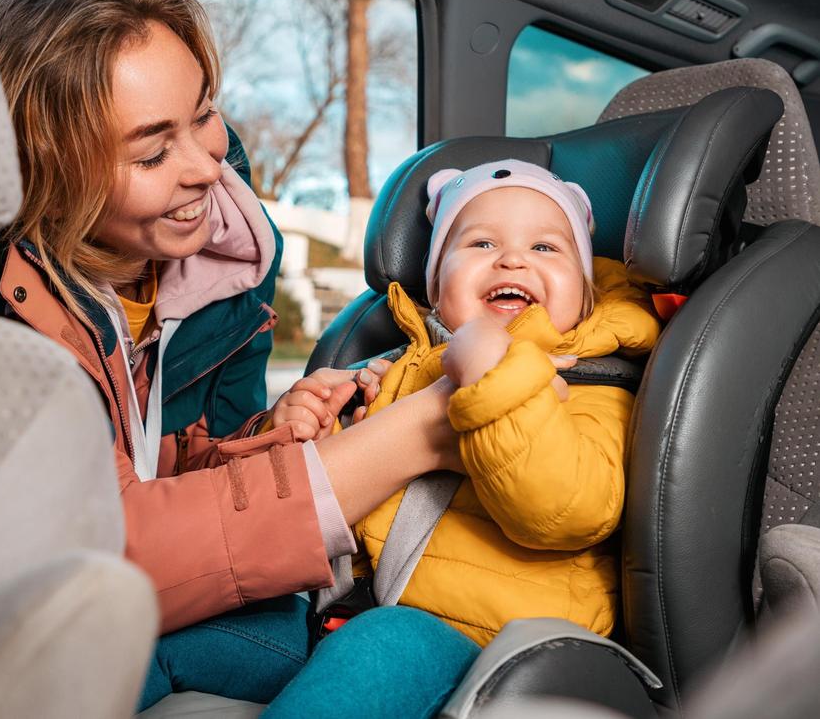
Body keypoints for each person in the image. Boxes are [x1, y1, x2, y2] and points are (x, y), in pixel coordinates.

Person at [0, 0, 478, 716]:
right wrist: (414, 434)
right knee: (396, 645)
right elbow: (103, 540)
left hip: (174, 603)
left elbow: (188, 466)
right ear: (47, 177)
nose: (210, 166)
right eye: (153, 152)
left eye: (204, 113)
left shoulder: (226, 263)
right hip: (24, 612)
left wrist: (277, 433)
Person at [271, 160, 662, 656]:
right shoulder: (395, 368)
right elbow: (318, 512)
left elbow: (565, 512)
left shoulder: (596, 382)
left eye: (544, 247)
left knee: (379, 644)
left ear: (585, 296)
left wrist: (492, 375)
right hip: (346, 610)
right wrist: (296, 431)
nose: (512, 261)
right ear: (435, 289)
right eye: (482, 243)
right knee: (179, 636)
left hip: (493, 646)